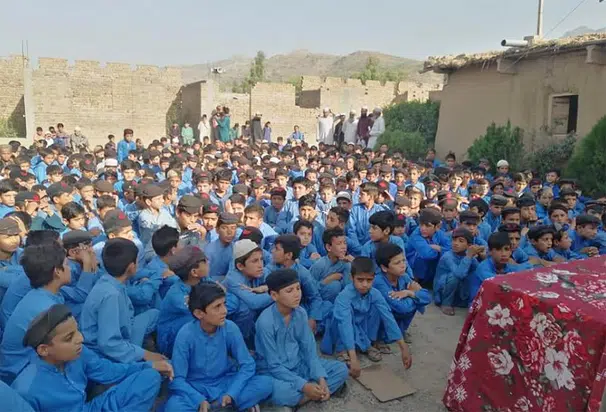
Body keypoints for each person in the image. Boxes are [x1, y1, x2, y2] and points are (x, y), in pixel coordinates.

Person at [12, 304, 173, 412]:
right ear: (44, 350)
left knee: (149, 377)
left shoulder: (80, 352)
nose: (80, 338)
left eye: (77, 331)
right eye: (69, 337)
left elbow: (110, 371)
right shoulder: (26, 390)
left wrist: (149, 366)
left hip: (90, 407)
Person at [166, 283, 272, 411]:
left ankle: (220, 405)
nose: (225, 311)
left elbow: (247, 364)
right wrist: (199, 399)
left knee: (265, 384)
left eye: (224, 304)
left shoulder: (230, 327)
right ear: (199, 313)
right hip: (196, 386)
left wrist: (232, 393)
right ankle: (227, 407)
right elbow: (177, 379)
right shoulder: (185, 335)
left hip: (224, 382)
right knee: (174, 407)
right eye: (217, 307)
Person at [255, 269, 349, 407]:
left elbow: (309, 350)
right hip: (274, 372)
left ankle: (304, 398)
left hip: (299, 364)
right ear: (274, 295)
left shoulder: (300, 313)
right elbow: (273, 366)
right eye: (289, 291)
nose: (296, 294)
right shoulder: (265, 322)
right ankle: (310, 394)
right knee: (280, 392)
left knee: (341, 369)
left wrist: (321, 378)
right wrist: (304, 386)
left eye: (298, 288)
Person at [320, 257, 412, 377]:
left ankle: (368, 344)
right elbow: (345, 325)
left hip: (362, 324)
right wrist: (353, 359)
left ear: (374, 279)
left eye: (369, 280)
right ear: (352, 278)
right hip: (344, 327)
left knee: (379, 310)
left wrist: (403, 346)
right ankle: (342, 350)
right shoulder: (344, 296)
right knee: (342, 318)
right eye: (360, 280)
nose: (365, 284)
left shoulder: (375, 293)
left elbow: (388, 317)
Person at [80, 238, 165, 363]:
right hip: (103, 354)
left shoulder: (110, 281)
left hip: (121, 333)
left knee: (154, 314)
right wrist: (145, 354)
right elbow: (109, 344)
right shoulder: (111, 295)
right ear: (131, 267)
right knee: (157, 371)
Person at [433, 228, 481, 315]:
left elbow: (479, 271)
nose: (455, 243)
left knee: (475, 274)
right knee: (454, 277)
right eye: (454, 240)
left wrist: (482, 256)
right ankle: (446, 303)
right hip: (442, 289)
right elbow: (459, 274)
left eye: (460, 241)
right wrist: (469, 255)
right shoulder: (448, 256)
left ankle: (466, 299)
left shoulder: (469, 256)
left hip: (458, 289)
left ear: (469, 245)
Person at [468, 232, 517, 303]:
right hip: (478, 304)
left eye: (507, 249)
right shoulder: (483, 267)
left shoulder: (509, 266)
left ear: (511, 252)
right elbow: (499, 283)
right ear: (490, 251)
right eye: (498, 249)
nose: (503, 254)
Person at [310, 228, 351, 303]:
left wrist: (353, 262)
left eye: (345, 243)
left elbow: (348, 286)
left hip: (339, 300)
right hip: (319, 300)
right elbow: (310, 288)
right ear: (329, 247)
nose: (343, 247)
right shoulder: (320, 265)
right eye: (339, 244)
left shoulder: (345, 263)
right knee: (335, 285)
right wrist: (328, 279)